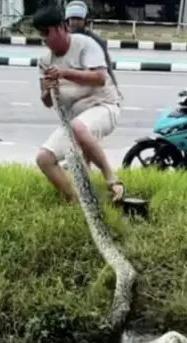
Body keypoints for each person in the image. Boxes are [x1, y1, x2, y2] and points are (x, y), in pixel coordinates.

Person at [32, 6, 125, 203]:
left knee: (78, 128)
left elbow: (100, 77)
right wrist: (48, 90)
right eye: (41, 35)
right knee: (44, 158)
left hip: (103, 105)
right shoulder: (45, 61)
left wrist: (64, 73)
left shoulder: (85, 45)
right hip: (74, 119)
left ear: (59, 28)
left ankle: (112, 179)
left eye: (46, 33)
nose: (44, 39)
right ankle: (75, 201)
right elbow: (46, 102)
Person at [64, 0, 119, 88]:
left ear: (85, 20)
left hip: (91, 86)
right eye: (72, 19)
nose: (75, 22)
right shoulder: (64, 39)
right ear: (67, 21)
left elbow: (107, 67)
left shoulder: (95, 40)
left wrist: (114, 86)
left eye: (79, 19)